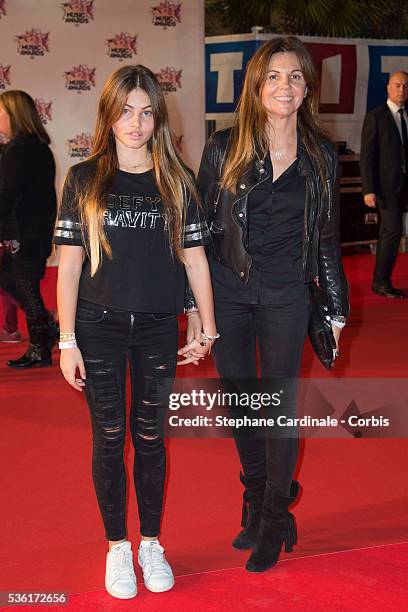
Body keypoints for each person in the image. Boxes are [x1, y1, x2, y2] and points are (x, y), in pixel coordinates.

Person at [54, 64, 217, 600]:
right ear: (108, 113)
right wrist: (66, 340)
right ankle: (116, 546)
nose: (136, 122)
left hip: (154, 329)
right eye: (126, 110)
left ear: (158, 119)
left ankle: (150, 541)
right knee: (108, 438)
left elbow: (194, 259)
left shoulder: (177, 179)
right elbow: (71, 266)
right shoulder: (84, 179)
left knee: (150, 438)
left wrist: (205, 321)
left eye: (146, 112)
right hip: (96, 330)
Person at [195, 36, 349, 573]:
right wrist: (196, 305)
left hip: (287, 293)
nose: (285, 86)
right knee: (242, 403)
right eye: (274, 76)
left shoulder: (321, 154)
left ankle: (273, 514)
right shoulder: (223, 146)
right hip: (229, 291)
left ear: (308, 87)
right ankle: (257, 495)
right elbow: (201, 231)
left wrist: (335, 302)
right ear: (256, 86)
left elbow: (327, 237)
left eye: (296, 76)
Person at [0, 90, 58, 366]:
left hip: (23, 234)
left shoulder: (19, 150)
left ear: (14, 115)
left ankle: (40, 347)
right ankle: (48, 328)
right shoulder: (37, 148)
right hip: (34, 232)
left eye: (0, 113)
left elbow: (7, 195)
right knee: (16, 282)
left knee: (26, 287)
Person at [360, 71, 408, 298]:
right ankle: (380, 281)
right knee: (392, 230)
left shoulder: (407, 115)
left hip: (405, 184)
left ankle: (382, 280)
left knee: (392, 231)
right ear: (388, 88)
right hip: (386, 188)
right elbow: (367, 157)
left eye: (405, 86)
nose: (402, 90)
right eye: (397, 85)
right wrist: (368, 189)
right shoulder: (376, 116)